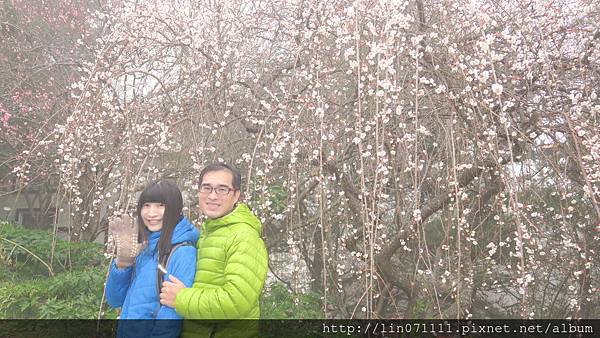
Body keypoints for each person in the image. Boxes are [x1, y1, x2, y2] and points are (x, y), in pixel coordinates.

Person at [160, 163, 268, 338]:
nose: (212, 196)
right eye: (207, 188)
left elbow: (237, 300)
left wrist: (181, 299)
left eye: (222, 189)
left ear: (236, 196)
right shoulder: (209, 232)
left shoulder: (243, 236)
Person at [106, 180, 199, 338]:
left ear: (175, 209)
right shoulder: (146, 249)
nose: (151, 213)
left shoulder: (183, 252)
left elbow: (171, 318)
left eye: (160, 205)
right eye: (146, 205)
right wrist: (123, 264)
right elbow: (115, 300)